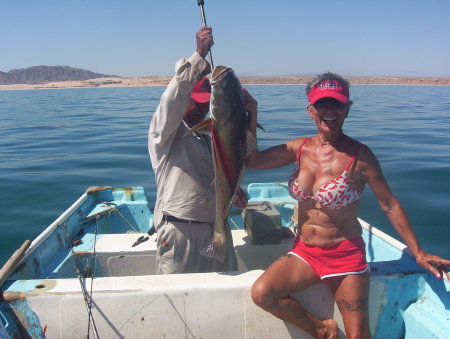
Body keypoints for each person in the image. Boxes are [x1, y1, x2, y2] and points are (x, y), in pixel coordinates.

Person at [244, 72, 450, 338]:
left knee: (357, 334)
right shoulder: (300, 149)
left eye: (337, 103)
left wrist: (418, 252)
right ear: (310, 110)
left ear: (347, 109)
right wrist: (252, 114)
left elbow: (389, 204)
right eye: (321, 104)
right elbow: (253, 162)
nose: (329, 110)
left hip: (344, 255)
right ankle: (320, 328)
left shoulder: (360, 156)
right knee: (262, 293)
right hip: (304, 252)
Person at [148, 26, 248, 274]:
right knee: (177, 298)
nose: (203, 109)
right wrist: (199, 55)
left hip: (217, 226)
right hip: (180, 230)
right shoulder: (165, 132)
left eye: (207, 104)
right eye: (197, 102)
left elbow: (220, 168)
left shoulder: (208, 133)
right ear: (185, 99)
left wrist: (235, 188)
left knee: (223, 298)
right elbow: (174, 96)